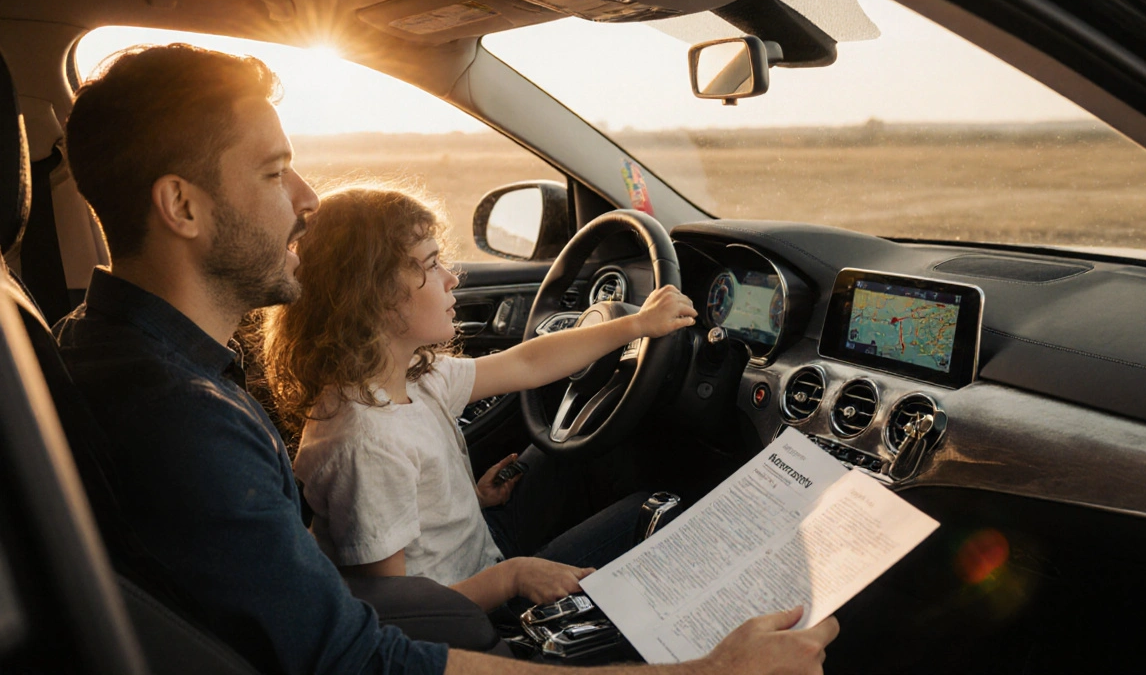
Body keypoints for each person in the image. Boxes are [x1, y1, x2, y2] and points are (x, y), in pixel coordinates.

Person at [54, 42, 838, 674]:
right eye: (271, 172)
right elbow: (356, 655)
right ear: (182, 206)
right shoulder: (183, 421)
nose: (305, 200)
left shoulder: (120, 355)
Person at [260, 187, 691, 601]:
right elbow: (400, 613)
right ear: (372, 296)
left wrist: (636, 325)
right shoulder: (366, 444)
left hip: (477, 545)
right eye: (430, 265)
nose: (451, 277)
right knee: (655, 509)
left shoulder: (410, 376)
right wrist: (512, 579)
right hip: (469, 606)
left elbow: (527, 364)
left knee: (573, 447)